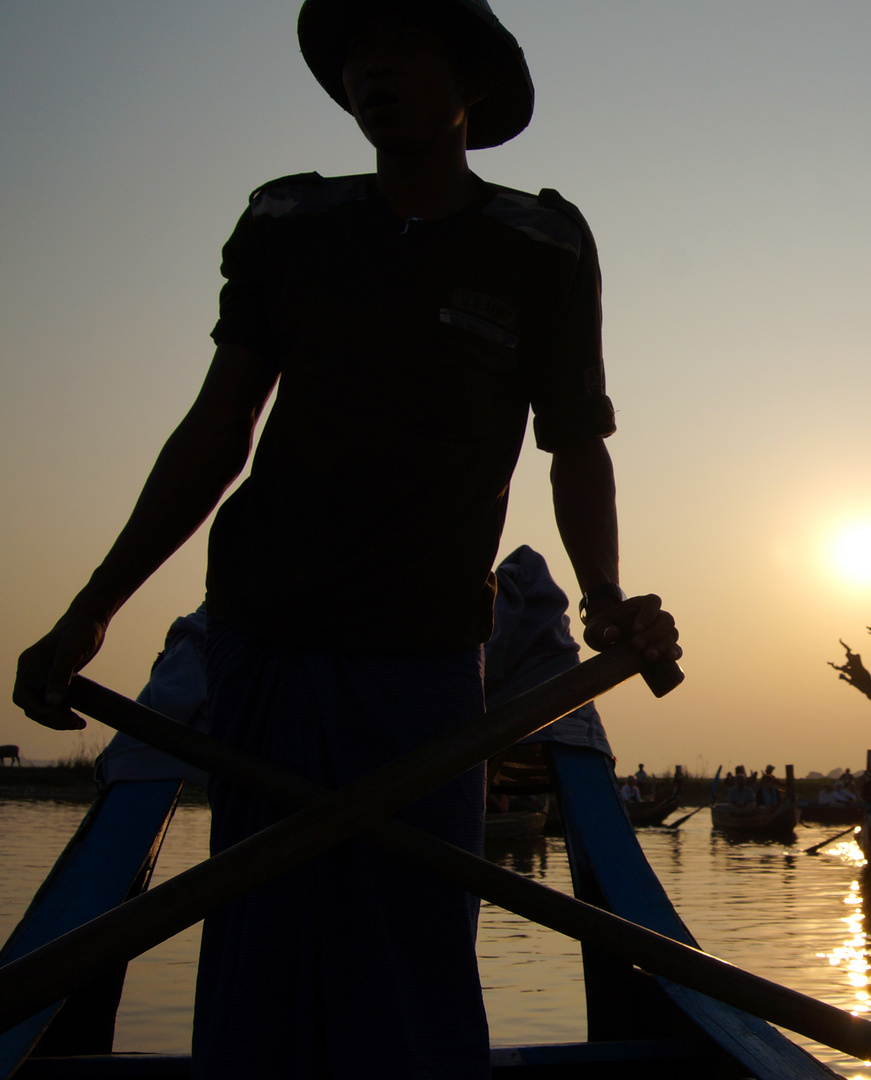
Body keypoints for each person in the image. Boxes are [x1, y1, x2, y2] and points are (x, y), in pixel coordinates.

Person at [11, 2, 680, 1076]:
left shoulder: (538, 244)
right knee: (258, 948)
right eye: (358, 53)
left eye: (403, 46)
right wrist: (89, 607)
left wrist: (605, 600)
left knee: (412, 962)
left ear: (466, 83)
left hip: (417, 660)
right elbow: (216, 429)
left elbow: (575, 448)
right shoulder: (290, 224)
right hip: (264, 636)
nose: (375, 69)